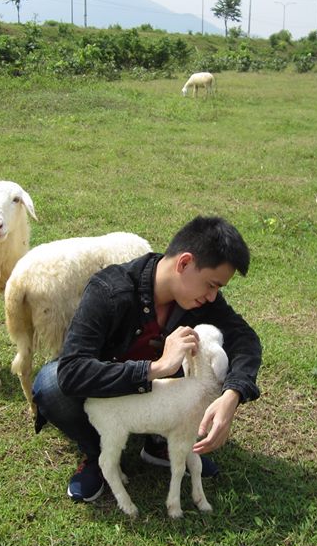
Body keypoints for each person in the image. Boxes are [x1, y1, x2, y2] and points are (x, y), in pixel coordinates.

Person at [32, 215, 262, 502]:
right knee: (50, 384)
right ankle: (96, 454)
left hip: (160, 403)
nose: (213, 297)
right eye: (211, 285)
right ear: (184, 263)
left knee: (208, 357)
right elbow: (73, 371)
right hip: (110, 399)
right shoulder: (109, 290)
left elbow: (245, 339)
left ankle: (159, 443)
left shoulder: (200, 300)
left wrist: (233, 393)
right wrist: (156, 367)